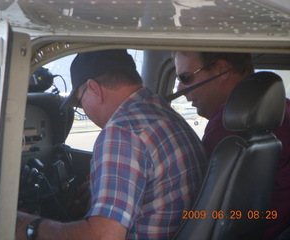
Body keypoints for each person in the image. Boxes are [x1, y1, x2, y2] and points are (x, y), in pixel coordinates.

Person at [16, 49, 208, 240]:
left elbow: (102, 236)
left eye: (80, 103)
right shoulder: (163, 114)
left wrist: (29, 226)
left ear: (93, 88)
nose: (85, 111)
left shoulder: (121, 132)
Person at [173, 51, 290, 239]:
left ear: (222, 70)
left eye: (186, 78)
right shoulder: (282, 110)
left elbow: (204, 211)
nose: (179, 89)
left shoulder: (229, 126)